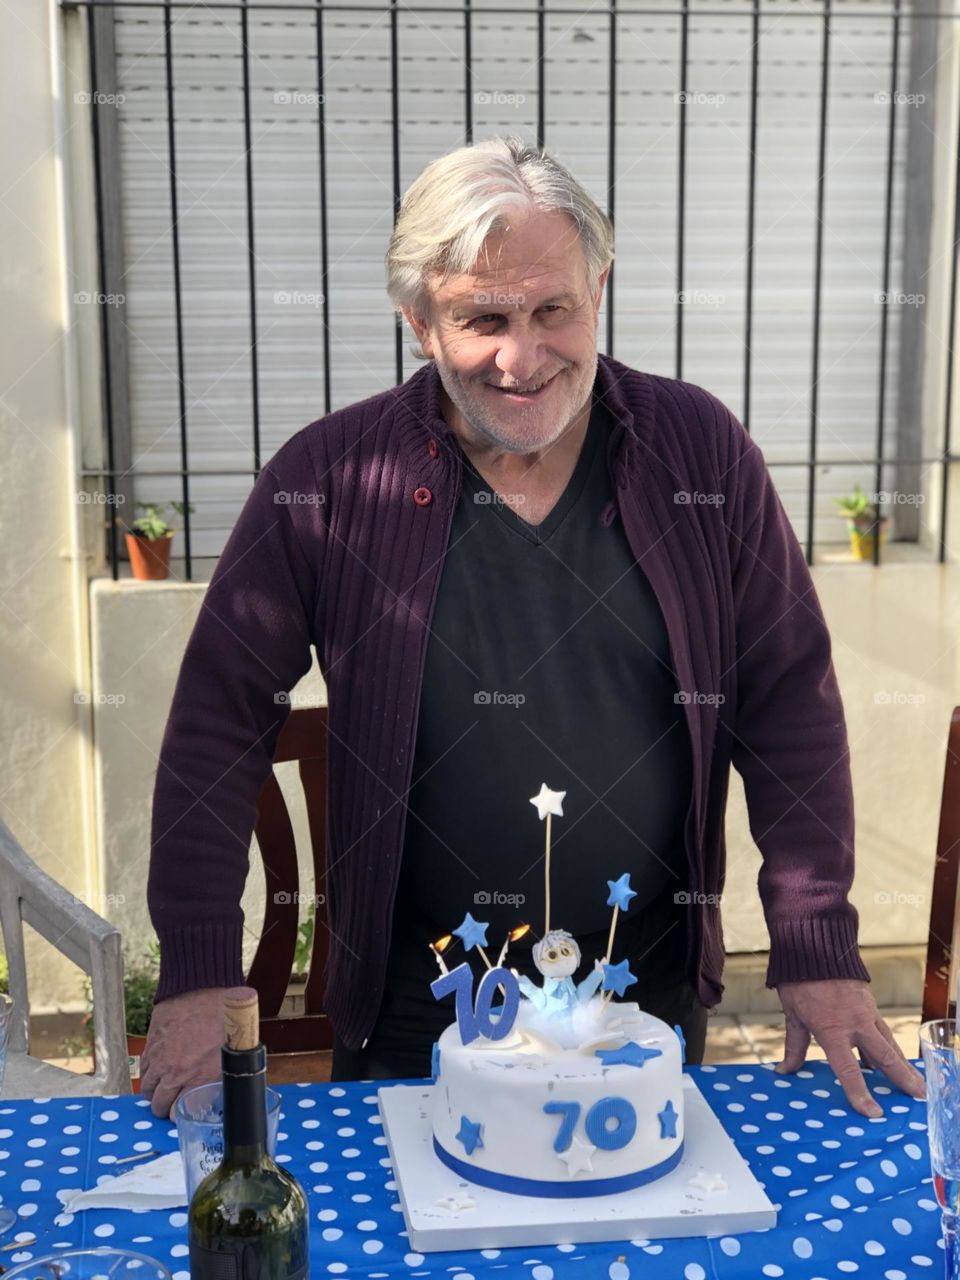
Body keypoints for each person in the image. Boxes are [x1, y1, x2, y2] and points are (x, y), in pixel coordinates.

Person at [141, 135, 925, 1119]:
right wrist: (198, 973)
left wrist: (819, 945)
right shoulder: (331, 477)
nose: (524, 357)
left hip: (640, 1005)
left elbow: (787, 699)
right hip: (413, 1014)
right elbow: (218, 723)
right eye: (484, 318)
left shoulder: (700, 452)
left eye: (553, 309)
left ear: (598, 289)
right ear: (420, 322)